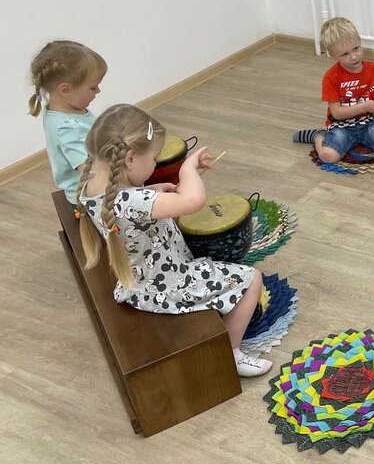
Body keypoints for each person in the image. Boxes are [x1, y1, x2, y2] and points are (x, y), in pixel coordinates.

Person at [76, 103, 272, 377]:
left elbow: (130, 203)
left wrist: (153, 189)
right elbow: (193, 201)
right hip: (166, 285)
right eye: (155, 158)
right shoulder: (132, 201)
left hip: (140, 277)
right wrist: (188, 169)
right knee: (252, 280)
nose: (156, 163)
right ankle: (232, 352)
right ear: (130, 159)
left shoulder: (94, 187)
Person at [294, 17, 374, 162]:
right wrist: (365, 106)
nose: (354, 57)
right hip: (341, 127)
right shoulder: (331, 77)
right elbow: (336, 113)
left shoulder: (372, 68)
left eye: (356, 48)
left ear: (360, 42)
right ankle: (318, 136)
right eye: (345, 54)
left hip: (371, 123)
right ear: (332, 55)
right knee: (328, 157)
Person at [28, 40, 107, 202]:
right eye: (93, 87)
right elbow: (91, 172)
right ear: (65, 89)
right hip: (89, 196)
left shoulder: (62, 111)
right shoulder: (68, 127)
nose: (98, 91)